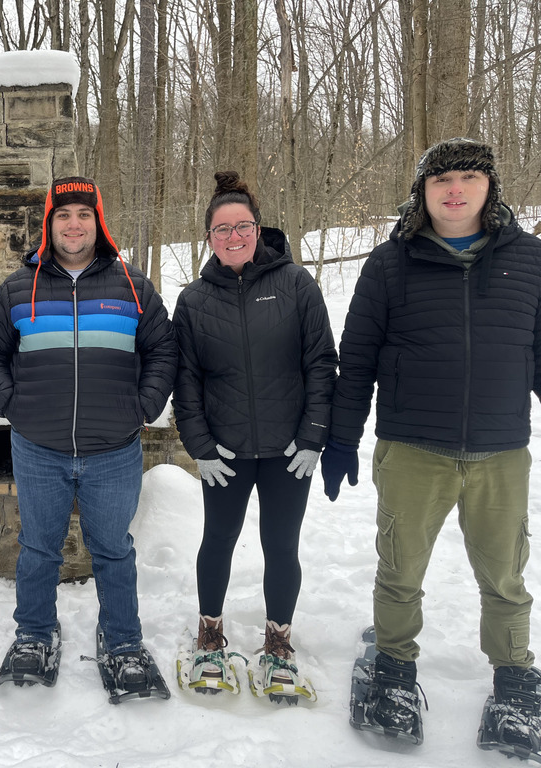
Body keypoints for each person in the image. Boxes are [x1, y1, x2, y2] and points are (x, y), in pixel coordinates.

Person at [322, 138, 541, 747]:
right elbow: (357, 360)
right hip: (414, 447)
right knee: (400, 570)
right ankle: (393, 665)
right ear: (421, 193)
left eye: (470, 177)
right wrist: (341, 440)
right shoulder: (390, 264)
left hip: (500, 450)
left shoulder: (530, 260)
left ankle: (515, 675)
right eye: (441, 180)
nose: (455, 190)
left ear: (490, 187)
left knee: (505, 576)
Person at [0, 176, 177, 695]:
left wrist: (145, 404)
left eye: (83, 214)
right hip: (38, 449)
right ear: (50, 223)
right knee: (39, 548)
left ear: (98, 221)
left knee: (113, 550)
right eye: (63, 215)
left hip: (114, 450)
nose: (73, 224)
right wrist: (13, 404)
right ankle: (34, 635)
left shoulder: (132, 286)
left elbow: (163, 350)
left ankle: (123, 641)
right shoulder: (20, 289)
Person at [172, 172, 337, 701]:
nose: (234, 236)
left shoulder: (296, 284)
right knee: (217, 539)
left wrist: (313, 434)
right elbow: (186, 378)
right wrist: (198, 443)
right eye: (222, 229)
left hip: (289, 451)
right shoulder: (194, 301)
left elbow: (320, 361)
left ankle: (278, 641)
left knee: (280, 544)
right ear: (209, 238)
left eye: (242, 226)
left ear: (259, 228)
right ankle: (210, 633)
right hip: (226, 451)